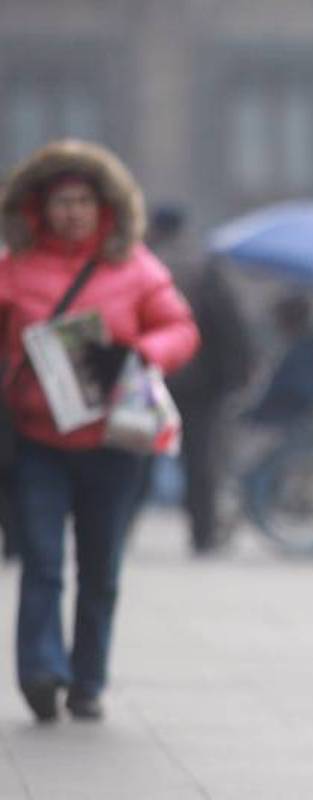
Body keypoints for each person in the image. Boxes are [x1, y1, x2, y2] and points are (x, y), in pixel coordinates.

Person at [0, 139, 199, 722]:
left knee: (100, 565)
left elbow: (181, 329)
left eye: (83, 200)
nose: (71, 212)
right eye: (60, 201)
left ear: (103, 206)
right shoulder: (14, 270)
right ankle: (40, 671)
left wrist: (141, 351)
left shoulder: (135, 267)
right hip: (36, 441)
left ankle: (87, 678)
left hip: (115, 441)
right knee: (40, 560)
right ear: (38, 207)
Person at [151, 209, 253, 556]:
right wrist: (237, 376)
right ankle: (202, 534)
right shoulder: (203, 267)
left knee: (138, 454)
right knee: (200, 461)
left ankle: (116, 530)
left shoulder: (143, 264)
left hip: (150, 377)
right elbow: (229, 326)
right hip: (200, 383)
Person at [243, 294, 313, 430]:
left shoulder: (307, 351)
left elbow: (295, 392)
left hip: (286, 423)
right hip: (280, 418)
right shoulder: (301, 347)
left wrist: (255, 414)